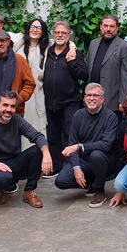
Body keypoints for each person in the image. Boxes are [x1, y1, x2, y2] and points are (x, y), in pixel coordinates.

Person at [55, 83, 120, 208]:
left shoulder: (110, 116)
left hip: (104, 160)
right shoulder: (78, 115)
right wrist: (76, 167)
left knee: (96, 155)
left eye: (96, 95)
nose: (92, 98)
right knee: (61, 181)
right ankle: (91, 182)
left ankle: (99, 190)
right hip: (84, 161)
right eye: (89, 95)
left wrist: (80, 147)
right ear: (84, 98)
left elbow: (106, 145)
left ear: (102, 99)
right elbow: (72, 143)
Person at [43, 21, 88, 177]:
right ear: (52, 34)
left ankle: (73, 166)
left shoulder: (74, 53)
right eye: (57, 32)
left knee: (71, 134)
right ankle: (57, 166)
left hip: (70, 102)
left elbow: (84, 74)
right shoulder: (47, 51)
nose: (60, 35)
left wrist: (72, 63)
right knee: (53, 136)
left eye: (63, 33)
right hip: (49, 102)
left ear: (69, 35)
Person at [87, 15, 127, 118]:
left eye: (112, 26)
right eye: (105, 26)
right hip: (93, 98)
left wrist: (122, 100)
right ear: (100, 27)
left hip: (112, 100)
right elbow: (89, 68)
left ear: (117, 28)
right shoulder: (93, 44)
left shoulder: (124, 47)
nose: (108, 29)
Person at [16, 19, 50, 149]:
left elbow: (67, 42)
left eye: (39, 28)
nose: (35, 30)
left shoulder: (47, 47)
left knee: (38, 126)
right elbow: (2, 35)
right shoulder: (18, 45)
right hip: (20, 94)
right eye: (32, 26)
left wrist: (74, 47)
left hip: (38, 93)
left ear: (43, 32)